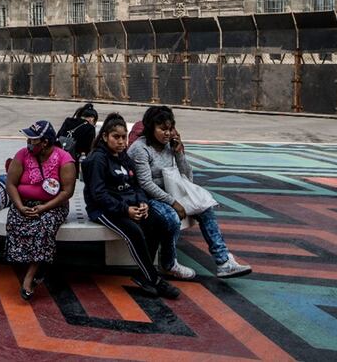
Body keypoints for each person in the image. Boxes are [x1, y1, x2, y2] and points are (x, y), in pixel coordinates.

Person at [128, 106, 252, 279]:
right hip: (146, 197)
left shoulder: (169, 146)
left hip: (171, 192)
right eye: (162, 129)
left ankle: (223, 261)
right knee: (171, 217)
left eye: (170, 129)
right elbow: (145, 184)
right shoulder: (140, 149)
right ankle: (168, 263)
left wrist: (179, 153)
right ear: (150, 128)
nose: (167, 133)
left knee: (206, 208)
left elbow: (187, 176)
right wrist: (173, 203)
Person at [82, 113, 182, 300]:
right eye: (116, 137)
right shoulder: (98, 159)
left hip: (129, 205)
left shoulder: (123, 156)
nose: (121, 142)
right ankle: (154, 279)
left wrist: (142, 202)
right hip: (103, 209)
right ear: (105, 137)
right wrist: (125, 210)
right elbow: (98, 194)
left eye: (124, 137)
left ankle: (144, 276)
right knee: (133, 232)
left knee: (158, 223)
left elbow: (136, 185)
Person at [4, 120, 76, 300]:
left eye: (32, 140)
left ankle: (31, 274)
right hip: (24, 203)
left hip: (52, 206)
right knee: (14, 222)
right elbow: (11, 183)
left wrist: (44, 207)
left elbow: (67, 191)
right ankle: (36, 263)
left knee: (44, 226)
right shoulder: (22, 155)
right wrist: (20, 206)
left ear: (44, 142)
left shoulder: (64, 159)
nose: (28, 144)